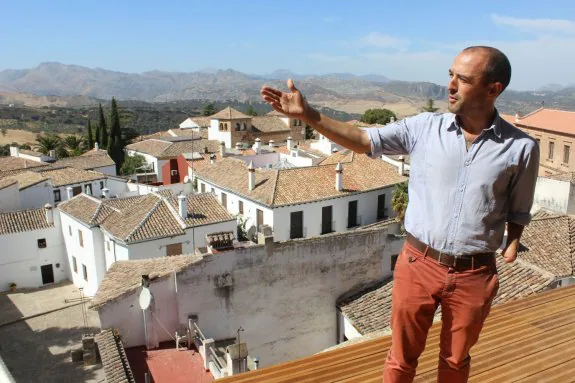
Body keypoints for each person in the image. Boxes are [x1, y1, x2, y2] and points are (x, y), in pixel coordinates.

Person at [261, 46, 539, 383]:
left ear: (493, 89)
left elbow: (519, 206)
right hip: (417, 264)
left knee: (455, 361)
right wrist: (309, 115)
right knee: (401, 359)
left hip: (474, 273)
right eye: (450, 75)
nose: (449, 85)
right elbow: (364, 139)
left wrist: (513, 241)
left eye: (462, 79)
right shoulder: (424, 128)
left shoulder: (521, 148)